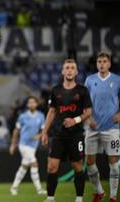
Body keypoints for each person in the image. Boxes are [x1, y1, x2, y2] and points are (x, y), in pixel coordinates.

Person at [41, 59, 92, 202]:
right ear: (63, 71)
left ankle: (79, 198)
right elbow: (51, 112)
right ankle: (50, 198)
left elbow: (88, 112)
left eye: (72, 68)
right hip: (58, 135)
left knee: (77, 166)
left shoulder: (82, 90)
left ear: (76, 72)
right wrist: (45, 131)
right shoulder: (56, 90)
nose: (69, 70)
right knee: (52, 167)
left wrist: (74, 120)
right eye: (67, 68)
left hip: (76, 135)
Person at [84, 52, 120, 202]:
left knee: (113, 162)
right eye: (99, 61)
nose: (102, 64)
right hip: (93, 127)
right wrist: (88, 119)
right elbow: (84, 102)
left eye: (105, 61)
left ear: (109, 64)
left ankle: (112, 196)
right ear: (97, 64)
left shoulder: (117, 80)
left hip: (112, 128)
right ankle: (99, 191)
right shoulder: (90, 80)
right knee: (89, 162)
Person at [9, 96, 46, 195]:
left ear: (36, 104)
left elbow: (43, 130)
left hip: (34, 145)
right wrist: (13, 144)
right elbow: (16, 130)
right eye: (29, 102)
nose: (31, 104)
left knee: (24, 166)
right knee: (34, 163)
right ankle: (39, 189)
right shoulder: (23, 116)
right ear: (27, 105)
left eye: (33, 102)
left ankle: (14, 187)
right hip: (24, 144)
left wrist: (39, 136)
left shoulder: (41, 116)